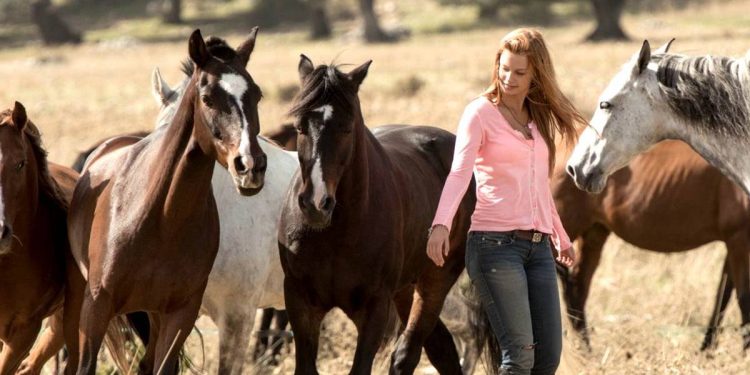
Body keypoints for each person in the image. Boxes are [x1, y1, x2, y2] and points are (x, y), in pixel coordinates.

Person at [426, 28, 583, 375]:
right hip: (494, 246)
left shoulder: (536, 118)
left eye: (520, 72)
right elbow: (459, 173)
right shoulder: (480, 113)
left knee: (547, 360)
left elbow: (539, 186)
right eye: (504, 68)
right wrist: (441, 224)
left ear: (536, 76)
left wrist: (560, 234)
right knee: (519, 357)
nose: (509, 78)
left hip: (539, 248)